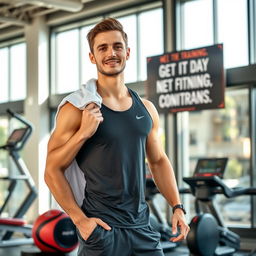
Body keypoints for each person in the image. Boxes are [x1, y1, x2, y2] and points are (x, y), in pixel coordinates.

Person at [44, 18, 190, 256]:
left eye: (117, 46)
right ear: (92, 57)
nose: (111, 53)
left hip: (143, 227)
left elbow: (158, 160)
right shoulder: (76, 109)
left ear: (127, 52)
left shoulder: (147, 109)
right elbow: (52, 169)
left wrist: (177, 206)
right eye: (102, 48)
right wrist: (81, 221)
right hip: (102, 230)